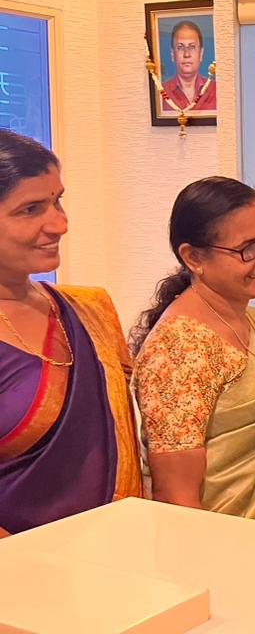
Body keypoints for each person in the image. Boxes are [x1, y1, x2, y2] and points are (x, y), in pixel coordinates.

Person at [131, 177, 255, 529]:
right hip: (223, 545)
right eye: (248, 248)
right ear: (193, 257)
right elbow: (177, 499)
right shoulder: (180, 348)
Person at [0, 130, 141, 536]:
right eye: (31, 209)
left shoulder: (88, 309)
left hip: (115, 550)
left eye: (57, 201)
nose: (60, 224)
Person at [160, 20, 216, 112]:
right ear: (172, 54)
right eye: (180, 47)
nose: (186, 54)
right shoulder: (160, 93)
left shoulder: (216, 90)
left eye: (192, 47)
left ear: (201, 53)